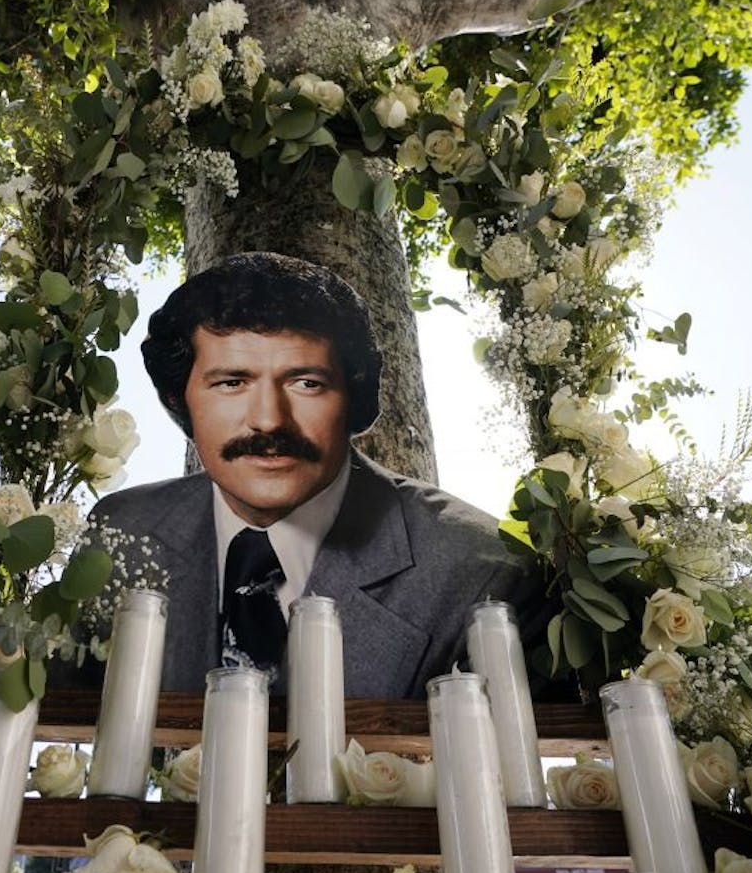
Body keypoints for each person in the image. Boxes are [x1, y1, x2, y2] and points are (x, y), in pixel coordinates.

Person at [85, 252, 547, 699]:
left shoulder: (481, 571)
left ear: (355, 397)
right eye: (232, 383)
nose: (268, 420)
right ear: (179, 400)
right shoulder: (121, 531)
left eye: (306, 384)